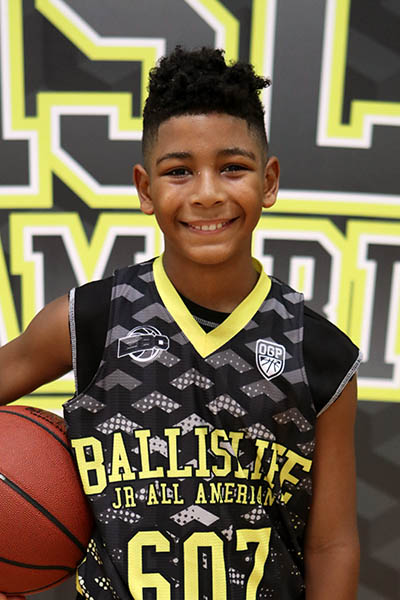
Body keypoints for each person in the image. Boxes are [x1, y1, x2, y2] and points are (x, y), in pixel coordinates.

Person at [0, 46, 361, 600]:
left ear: (269, 181)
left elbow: (331, 544)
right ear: (146, 189)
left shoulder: (318, 352)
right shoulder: (92, 319)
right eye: (179, 172)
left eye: (233, 167)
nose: (208, 193)